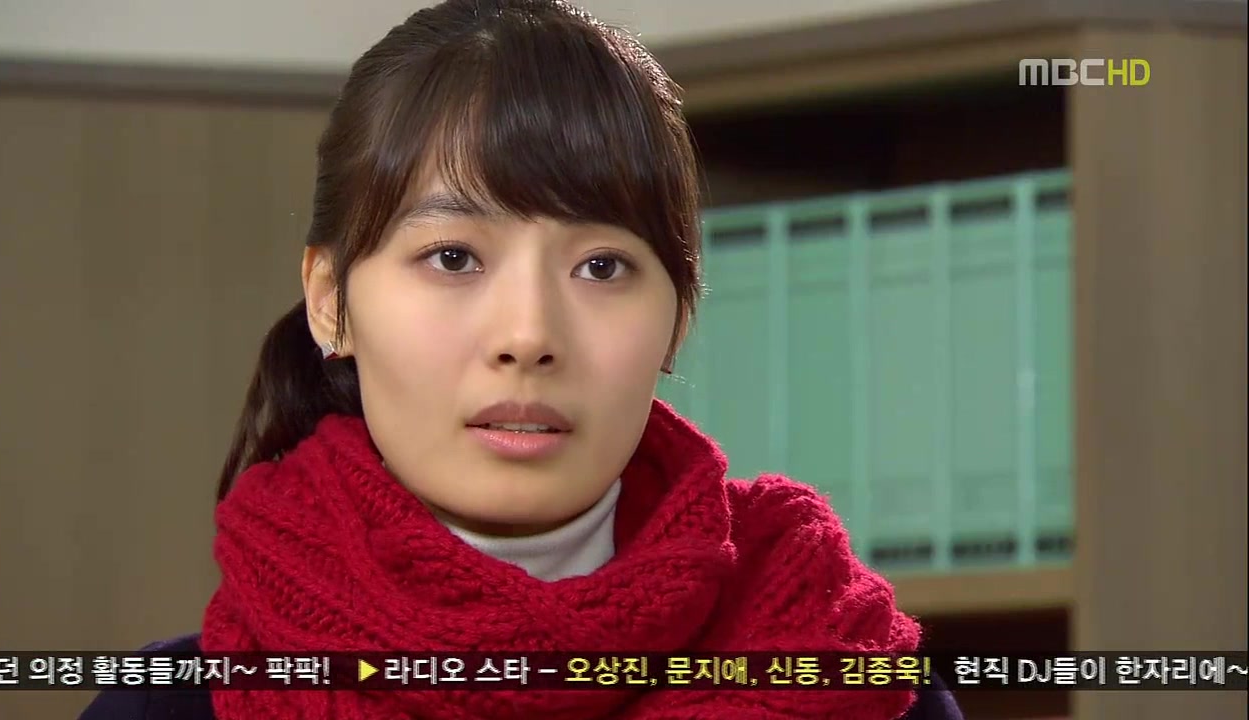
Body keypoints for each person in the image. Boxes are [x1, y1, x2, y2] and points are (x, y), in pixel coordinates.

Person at [79, 1, 964, 718]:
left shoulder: (860, 683)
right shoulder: (171, 709)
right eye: (453, 257)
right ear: (330, 301)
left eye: (602, 267)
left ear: (678, 319)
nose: (528, 334)